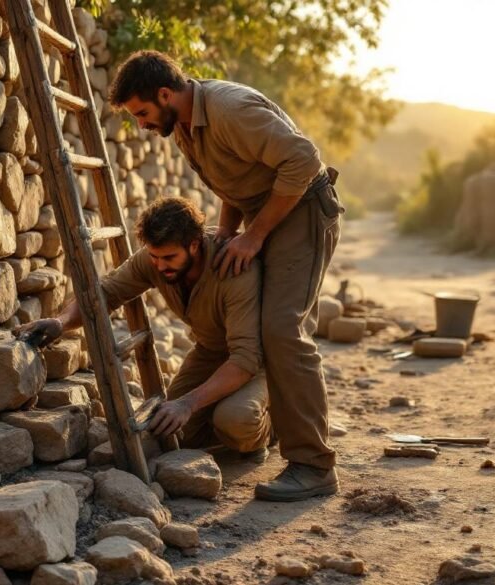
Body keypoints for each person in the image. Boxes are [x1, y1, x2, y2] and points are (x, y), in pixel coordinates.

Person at [105, 50, 343, 501]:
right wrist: (227, 236)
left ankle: (313, 465)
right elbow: (233, 183)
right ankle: (257, 403)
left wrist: (252, 237)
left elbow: (304, 162)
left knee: (282, 328)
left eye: (142, 113)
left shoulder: (231, 110)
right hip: (265, 211)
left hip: (305, 210)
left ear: (164, 94)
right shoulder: (183, 126)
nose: (141, 126)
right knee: (195, 420)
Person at [16, 197, 272, 462]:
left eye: (169, 258)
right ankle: (225, 415)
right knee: (172, 432)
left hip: (260, 359)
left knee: (236, 419)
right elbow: (105, 293)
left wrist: (188, 403)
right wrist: (61, 322)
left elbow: (245, 358)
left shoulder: (235, 269)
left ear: (194, 244)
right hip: (211, 352)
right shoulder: (156, 259)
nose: (160, 266)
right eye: (154, 257)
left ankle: (269, 426)